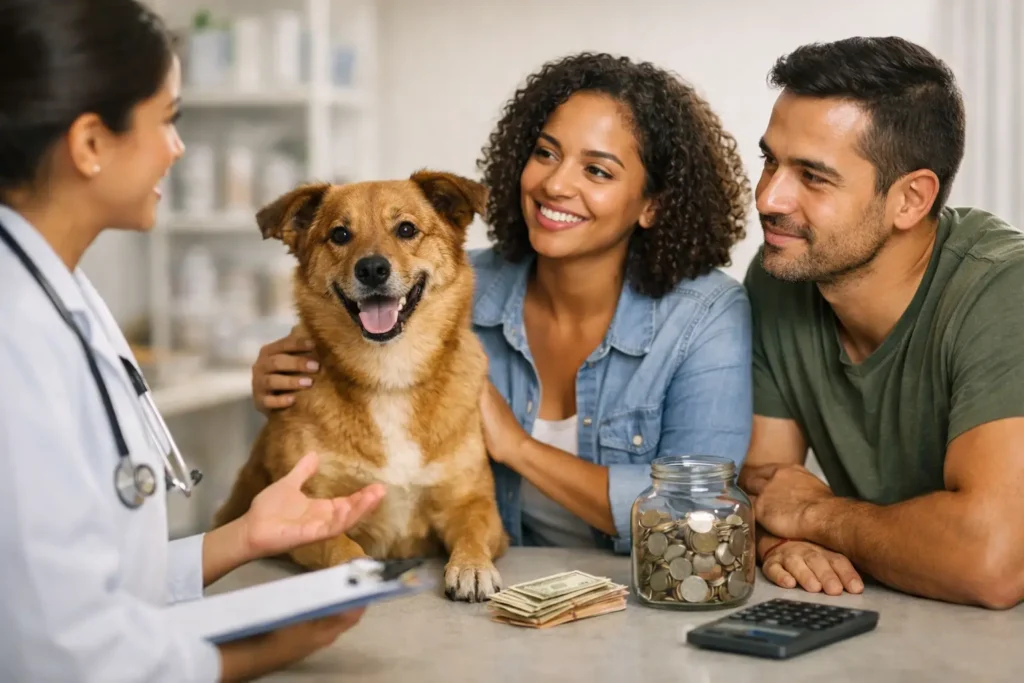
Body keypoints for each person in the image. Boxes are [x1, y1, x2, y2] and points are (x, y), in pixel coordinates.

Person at [0, 1, 387, 681]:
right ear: (90, 144)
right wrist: (272, 650)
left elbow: (99, 586)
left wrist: (244, 537)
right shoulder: (14, 333)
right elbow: (66, 651)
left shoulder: (64, 293)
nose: (177, 149)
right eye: (168, 120)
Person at [251, 52, 754, 554]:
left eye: (597, 171)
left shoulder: (704, 316)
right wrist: (276, 375)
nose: (556, 184)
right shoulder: (442, 285)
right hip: (503, 585)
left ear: (652, 205)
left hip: (642, 587)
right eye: (546, 153)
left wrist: (517, 447)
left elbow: (696, 517)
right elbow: (339, 320)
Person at [739, 35, 1024, 609]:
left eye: (812, 176)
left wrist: (817, 515)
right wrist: (778, 542)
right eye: (770, 160)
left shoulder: (1003, 291)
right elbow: (765, 488)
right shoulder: (782, 275)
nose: (769, 198)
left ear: (911, 199)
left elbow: (993, 563)